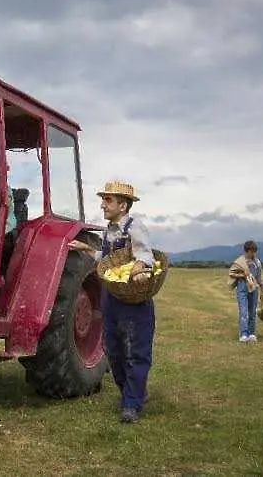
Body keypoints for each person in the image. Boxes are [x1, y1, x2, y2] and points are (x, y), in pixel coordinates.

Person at [68, 181, 155, 424]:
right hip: (111, 296)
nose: (103, 205)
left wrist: (135, 270)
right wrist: (86, 248)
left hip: (133, 297)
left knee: (136, 350)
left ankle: (131, 403)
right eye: (103, 200)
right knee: (112, 349)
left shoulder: (135, 228)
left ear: (123, 205)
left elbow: (145, 255)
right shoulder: (109, 231)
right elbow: (106, 259)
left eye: (108, 200)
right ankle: (133, 392)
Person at [228, 241, 263, 343]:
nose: (254, 254)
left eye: (255, 252)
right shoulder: (239, 262)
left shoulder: (257, 262)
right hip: (242, 288)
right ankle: (243, 334)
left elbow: (259, 277)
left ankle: (251, 333)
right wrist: (243, 275)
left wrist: (262, 290)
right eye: (252, 252)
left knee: (252, 312)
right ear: (247, 251)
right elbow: (231, 274)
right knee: (243, 311)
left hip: (254, 289)